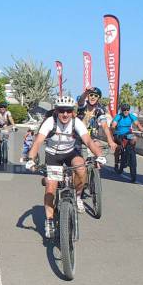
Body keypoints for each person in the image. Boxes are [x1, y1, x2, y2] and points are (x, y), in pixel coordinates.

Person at [24, 96, 107, 237]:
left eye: (68, 111)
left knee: (81, 168)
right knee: (51, 185)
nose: (65, 114)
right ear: (56, 111)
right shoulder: (50, 122)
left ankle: (78, 196)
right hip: (53, 155)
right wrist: (31, 159)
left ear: (73, 112)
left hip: (70, 153)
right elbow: (37, 142)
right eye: (62, 110)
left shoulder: (76, 122)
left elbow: (88, 141)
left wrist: (100, 155)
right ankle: (49, 220)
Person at [110, 103, 143, 180]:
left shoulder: (131, 116)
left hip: (127, 133)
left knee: (134, 138)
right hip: (118, 134)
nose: (126, 111)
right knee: (118, 148)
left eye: (127, 110)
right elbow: (113, 125)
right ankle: (116, 164)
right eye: (124, 110)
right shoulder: (118, 116)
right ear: (122, 110)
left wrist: (142, 130)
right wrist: (113, 129)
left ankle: (130, 151)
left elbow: (137, 124)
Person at [77, 86, 117, 151]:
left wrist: (110, 141)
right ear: (88, 96)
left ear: (98, 98)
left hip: (91, 138)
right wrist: (86, 92)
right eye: (91, 95)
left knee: (98, 149)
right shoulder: (83, 105)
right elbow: (81, 100)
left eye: (95, 96)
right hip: (78, 136)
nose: (93, 97)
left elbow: (105, 126)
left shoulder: (99, 110)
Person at [0, 100, 16, 165]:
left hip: (4, 126)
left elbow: (10, 119)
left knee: (5, 136)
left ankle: (5, 147)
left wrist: (14, 126)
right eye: (1, 107)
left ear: (6, 108)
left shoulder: (8, 113)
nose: (3, 108)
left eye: (4, 107)